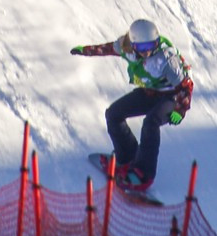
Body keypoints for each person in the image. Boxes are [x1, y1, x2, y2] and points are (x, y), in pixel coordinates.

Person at [71, 19, 193, 190]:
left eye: (152, 45)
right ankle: (127, 156)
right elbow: (106, 49)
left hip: (171, 97)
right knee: (114, 114)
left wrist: (180, 110)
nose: (147, 51)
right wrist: (85, 50)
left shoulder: (166, 59)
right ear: (134, 45)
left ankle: (143, 174)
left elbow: (185, 86)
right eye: (142, 48)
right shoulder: (125, 47)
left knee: (151, 123)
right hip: (150, 92)